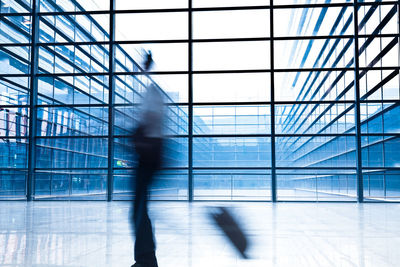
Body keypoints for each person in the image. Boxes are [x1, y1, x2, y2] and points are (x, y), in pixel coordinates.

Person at [131, 51, 164, 267]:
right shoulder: (149, 88)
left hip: (151, 150)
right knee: (139, 207)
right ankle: (146, 257)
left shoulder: (151, 89)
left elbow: (152, 117)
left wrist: (138, 135)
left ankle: (146, 259)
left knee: (139, 207)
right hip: (151, 150)